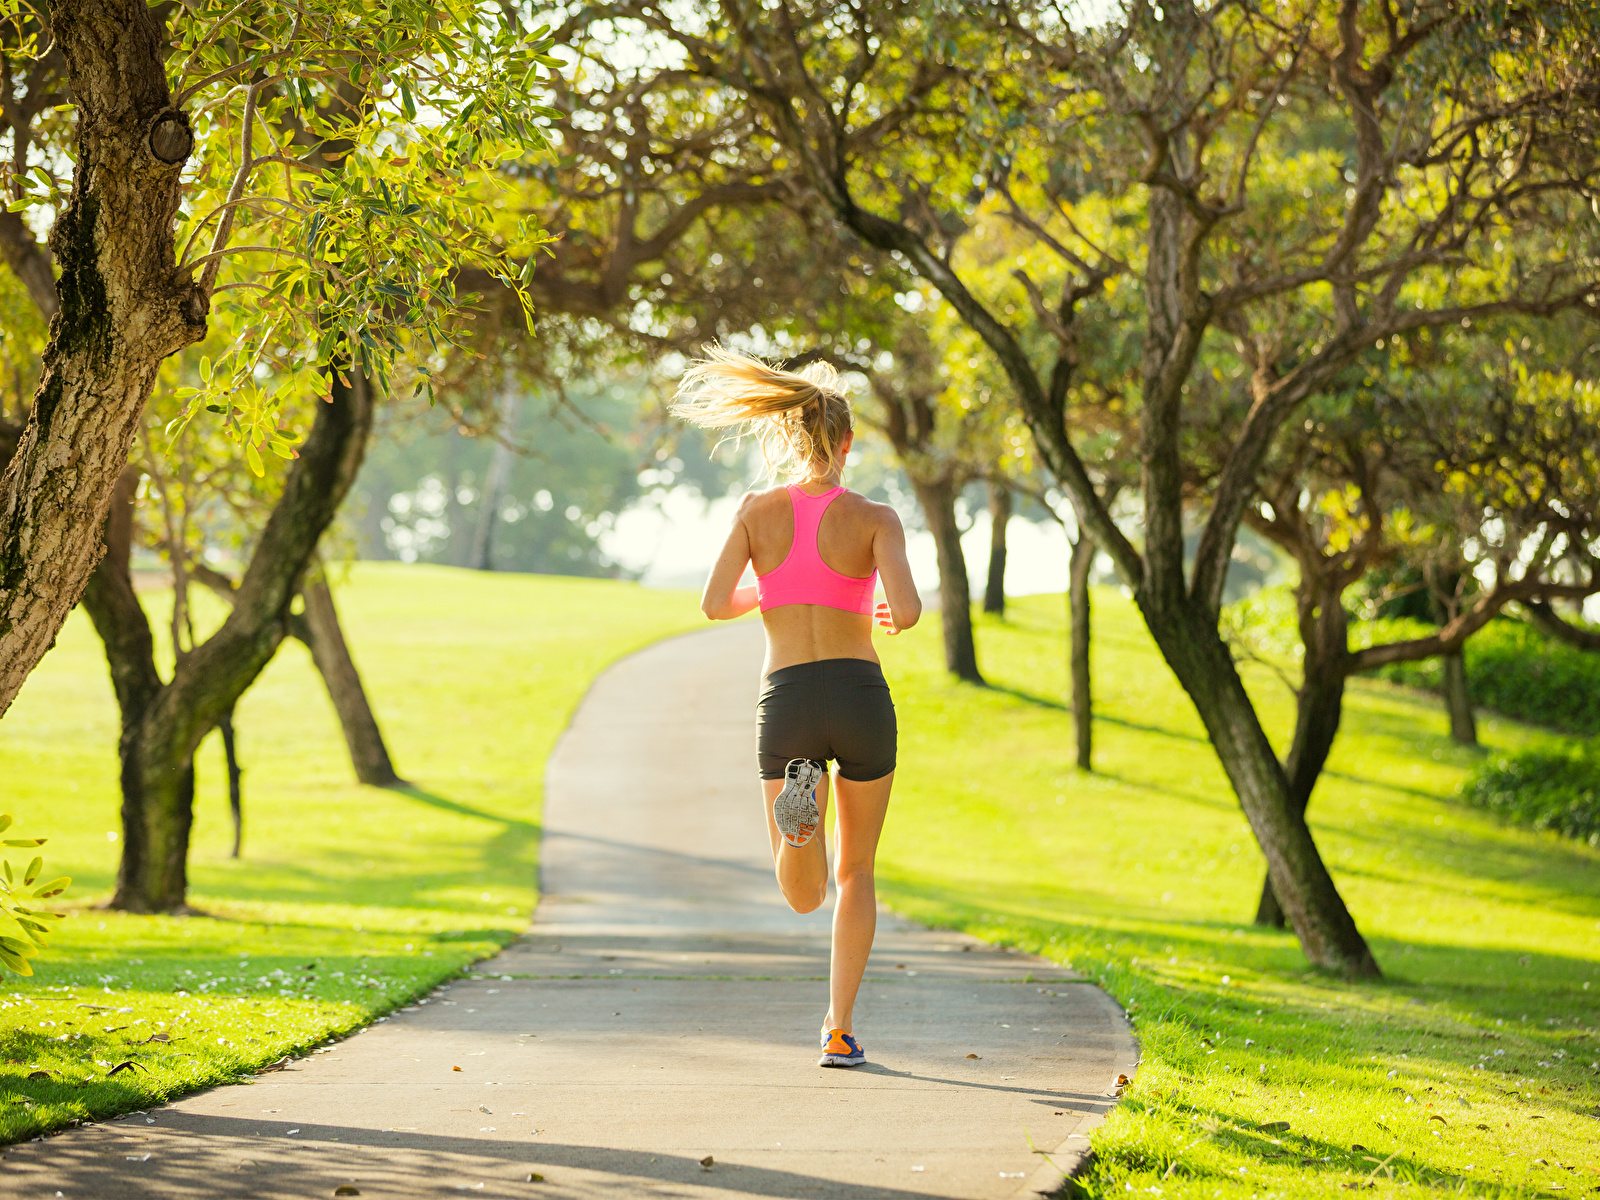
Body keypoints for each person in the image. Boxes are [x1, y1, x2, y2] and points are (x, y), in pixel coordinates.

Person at [673, 347, 921, 1069]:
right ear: (847, 444)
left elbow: (715, 603)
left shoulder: (756, 513)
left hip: (786, 700)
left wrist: (770, 591)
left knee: (803, 893)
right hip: (859, 695)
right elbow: (904, 610)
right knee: (858, 874)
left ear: (786, 438)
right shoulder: (877, 518)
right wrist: (883, 610)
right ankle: (839, 1027)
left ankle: (796, 826)